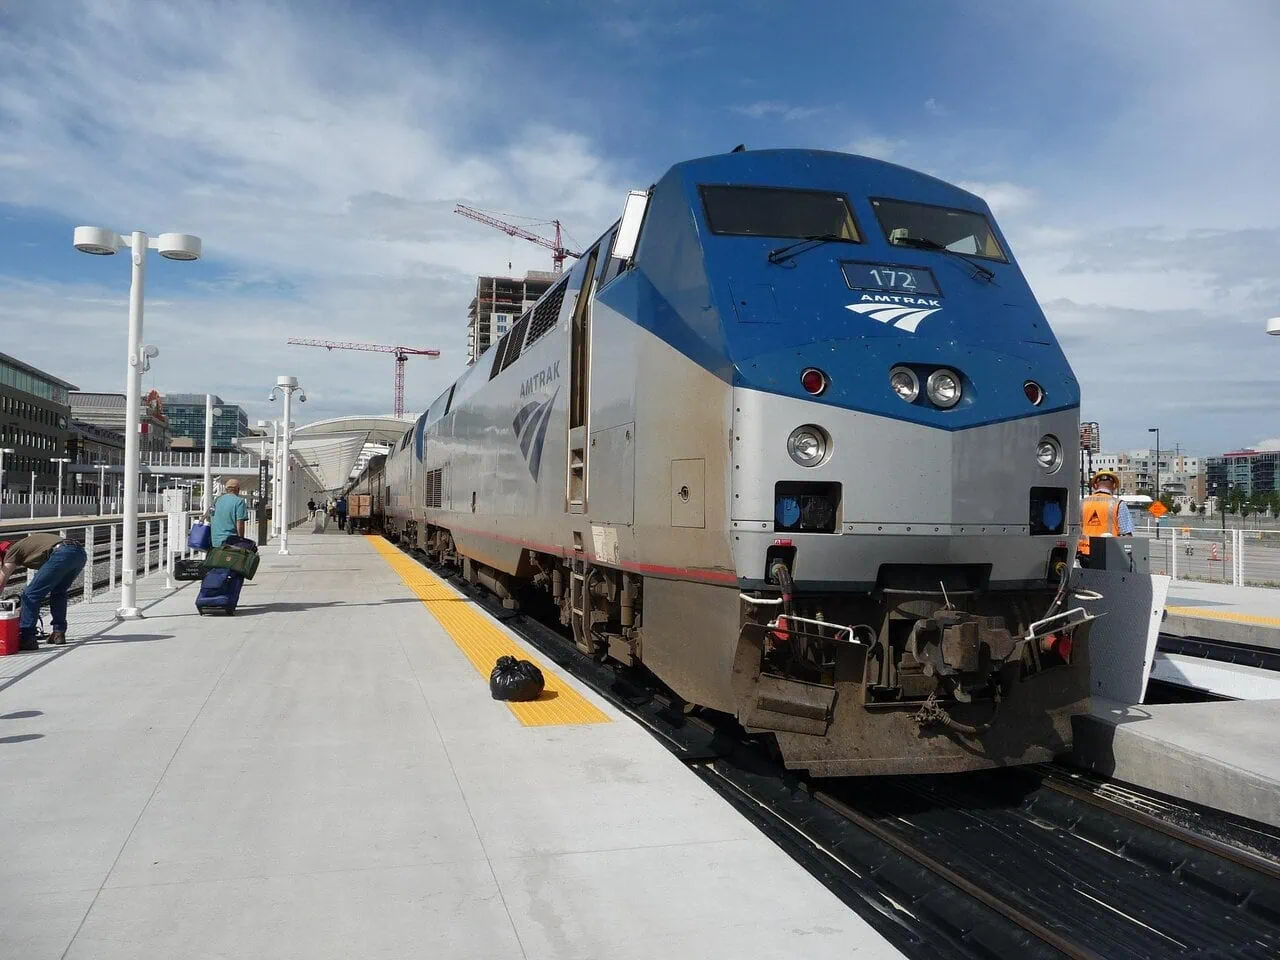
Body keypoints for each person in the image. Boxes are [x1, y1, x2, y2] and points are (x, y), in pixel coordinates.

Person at [0, 534, 88, 649]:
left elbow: (2, 580)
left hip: (62, 552)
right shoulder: (26, 546)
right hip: (79, 553)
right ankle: (58, 633)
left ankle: (26, 637)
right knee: (59, 592)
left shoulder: (11, 551)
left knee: (30, 594)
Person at [1077, 469, 1134, 566]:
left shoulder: (1082, 503)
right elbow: (1127, 535)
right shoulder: (1118, 504)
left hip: (1084, 554)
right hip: (1110, 553)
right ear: (1114, 486)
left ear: (1095, 485)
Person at [209, 478, 250, 547]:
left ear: (226, 489)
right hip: (230, 542)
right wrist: (241, 540)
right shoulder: (239, 501)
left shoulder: (217, 500)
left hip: (215, 541)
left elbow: (210, 516)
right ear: (238, 489)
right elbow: (240, 524)